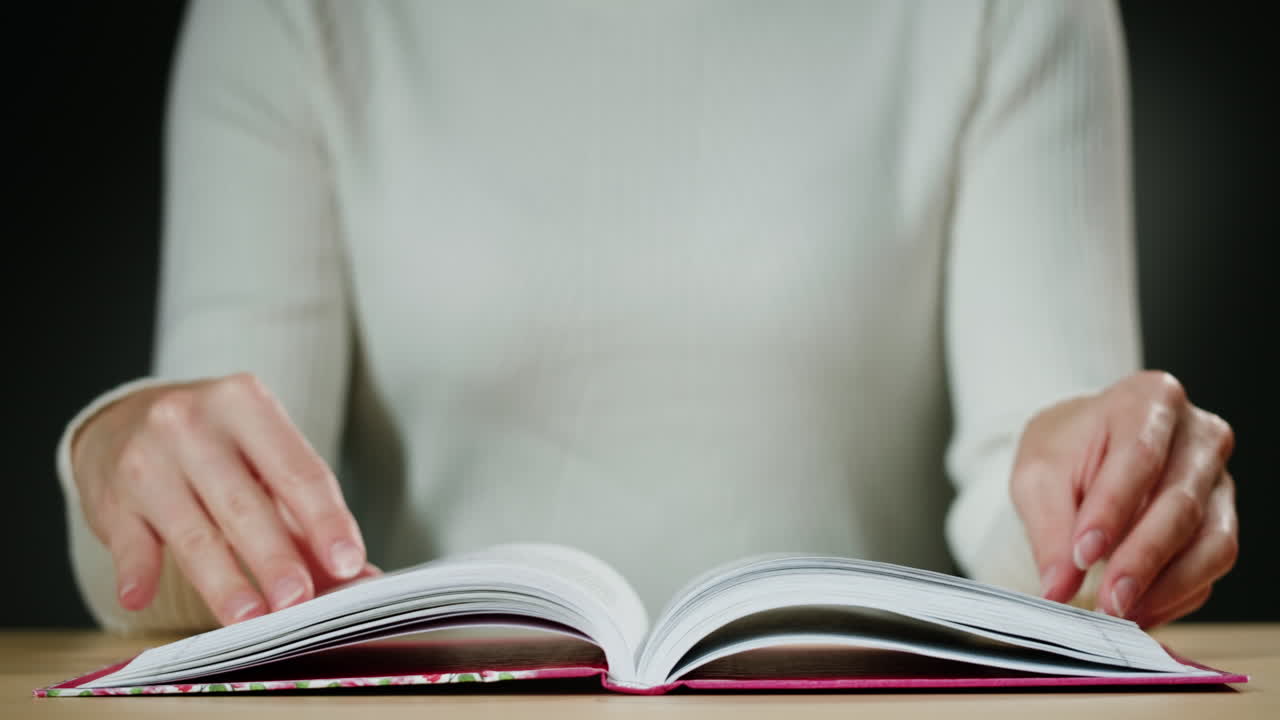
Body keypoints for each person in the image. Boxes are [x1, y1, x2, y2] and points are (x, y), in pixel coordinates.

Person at [60, 0, 1237, 634]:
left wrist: (1105, 508)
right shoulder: (286, 16)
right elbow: (215, 553)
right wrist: (124, 460)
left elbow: (1046, 543)